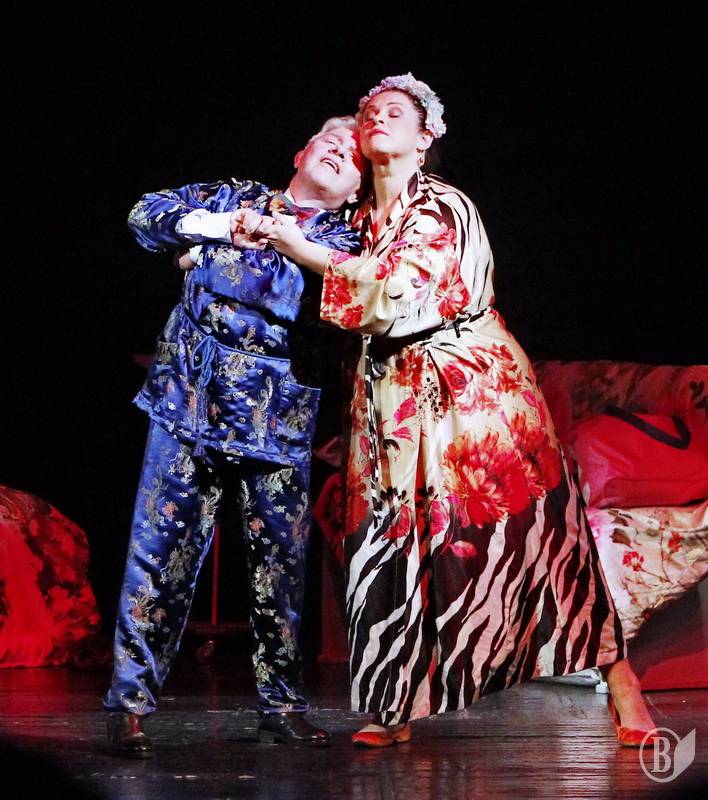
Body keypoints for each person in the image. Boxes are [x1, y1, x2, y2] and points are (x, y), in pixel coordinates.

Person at [248, 74, 659, 748]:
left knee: (533, 539)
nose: (377, 117)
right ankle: (393, 703)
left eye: (395, 112)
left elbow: (401, 294)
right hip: (389, 398)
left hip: (471, 388)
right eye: (369, 112)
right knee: (389, 541)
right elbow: (293, 248)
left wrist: (305, 252)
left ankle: (621, 681)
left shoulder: (443, 206)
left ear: (425, 137)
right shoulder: (355, 221)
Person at [103, 118, 364, 756]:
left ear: (357, 188)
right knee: (156, 557)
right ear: (301, 152)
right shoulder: (233, 198)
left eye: (352, 152)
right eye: (329, 139)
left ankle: (282, 706)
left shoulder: (344, 240)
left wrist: (228, 253)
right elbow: (144, 216)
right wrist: (219, 229)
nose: (338, 150)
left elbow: (326, 300)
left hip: (276, 421)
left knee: (280, 572)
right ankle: (129, 705)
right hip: (187, 406)